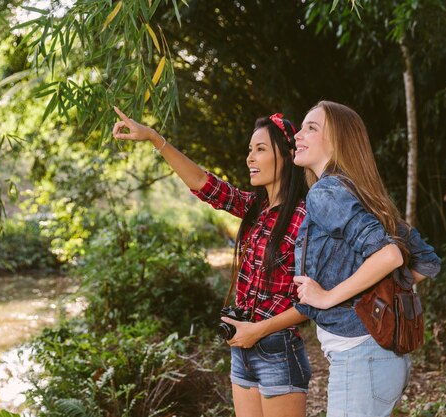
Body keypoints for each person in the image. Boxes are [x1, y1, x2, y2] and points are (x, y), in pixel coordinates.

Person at [112, 106, 312, 417]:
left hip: (278, 351)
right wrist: (153, 137)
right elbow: (203, 183)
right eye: (250, 150)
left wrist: (258, 330)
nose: (250, 158)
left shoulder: (305, 217)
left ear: (287, 156)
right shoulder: (254, 209)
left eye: (260, 149)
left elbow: (310, 302)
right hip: (241, 349)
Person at [290, 100, 441, 417]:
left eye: (311, 128)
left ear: (338, 140)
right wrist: (377, 294)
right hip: (380, 358)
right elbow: (427, 262)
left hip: (361, 359)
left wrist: (328, 296)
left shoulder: (326, 192)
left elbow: (390, 256)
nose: (297, 135)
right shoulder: (365, 194)